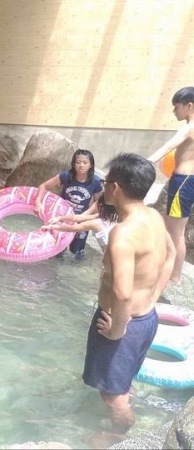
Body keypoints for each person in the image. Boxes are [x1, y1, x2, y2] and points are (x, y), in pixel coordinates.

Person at [82, 153, 175, 442]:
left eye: (105, 182)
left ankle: (117, 435)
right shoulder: (153, 217)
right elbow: (171, 255)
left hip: (122, 324)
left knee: (112, 396)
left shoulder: (123, 234)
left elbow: (122, 294)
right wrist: (153, 296)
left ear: (116, 187)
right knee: (122, 382)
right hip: (146, 319)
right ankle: (124, 402)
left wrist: (117, 330)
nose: (104, 187)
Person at [146, 86, 194, 284]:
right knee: (168, 225)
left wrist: (146, 162)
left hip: (183, 181)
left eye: (177, 107)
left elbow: (168, 147)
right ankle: (164, 266)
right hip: (184, 180)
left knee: (176, 233)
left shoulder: (189, 127)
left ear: (189, 105)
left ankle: (175, 277)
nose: (174, 111)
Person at [34, 149, 103, 257]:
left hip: (81, 219)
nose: (81, 165)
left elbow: (98, 202)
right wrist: (37, 202)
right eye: (78, 162)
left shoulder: (95, 182)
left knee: (77, 253)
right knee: (56, 251)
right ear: (73, 164)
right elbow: (43, 186)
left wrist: (84, 216)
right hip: (62, 217)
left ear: (91, 165)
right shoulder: (66, 176)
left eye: (85, 162)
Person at [42, 201, 118, 252]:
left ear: (101, 207)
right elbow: (78, 217)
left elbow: (71, 228)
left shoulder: (96, 223)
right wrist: (60, 218)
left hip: (112, 262)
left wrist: (52, 227)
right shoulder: (119, 219)